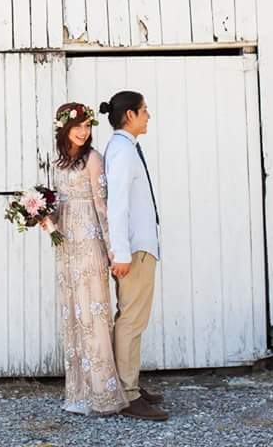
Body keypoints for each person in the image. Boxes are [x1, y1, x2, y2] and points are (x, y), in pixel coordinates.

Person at [49, 102, 129, 416]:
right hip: (66, 246)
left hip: (90, 243)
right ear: (64, 129)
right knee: (73, 316)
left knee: (94, 316)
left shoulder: (93, 159)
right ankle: (80, 392)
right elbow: (56, 207)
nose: (83, 132)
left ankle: (103, 394)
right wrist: (42, 218)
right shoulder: (57, 163)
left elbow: (103, 207)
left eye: (87, 126)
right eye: (77, 126)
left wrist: (113, 251)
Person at [100, 91, 168, 421]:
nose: (149, 116)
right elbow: (118, 206)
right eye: (144, 110)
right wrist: (122, 253)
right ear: (129, 115)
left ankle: (132, 386)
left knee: (135, 320)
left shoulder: (125, 147)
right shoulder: (123, 151)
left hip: (142, 247)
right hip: (135, 250)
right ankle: (126, 394)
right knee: (130, 320)